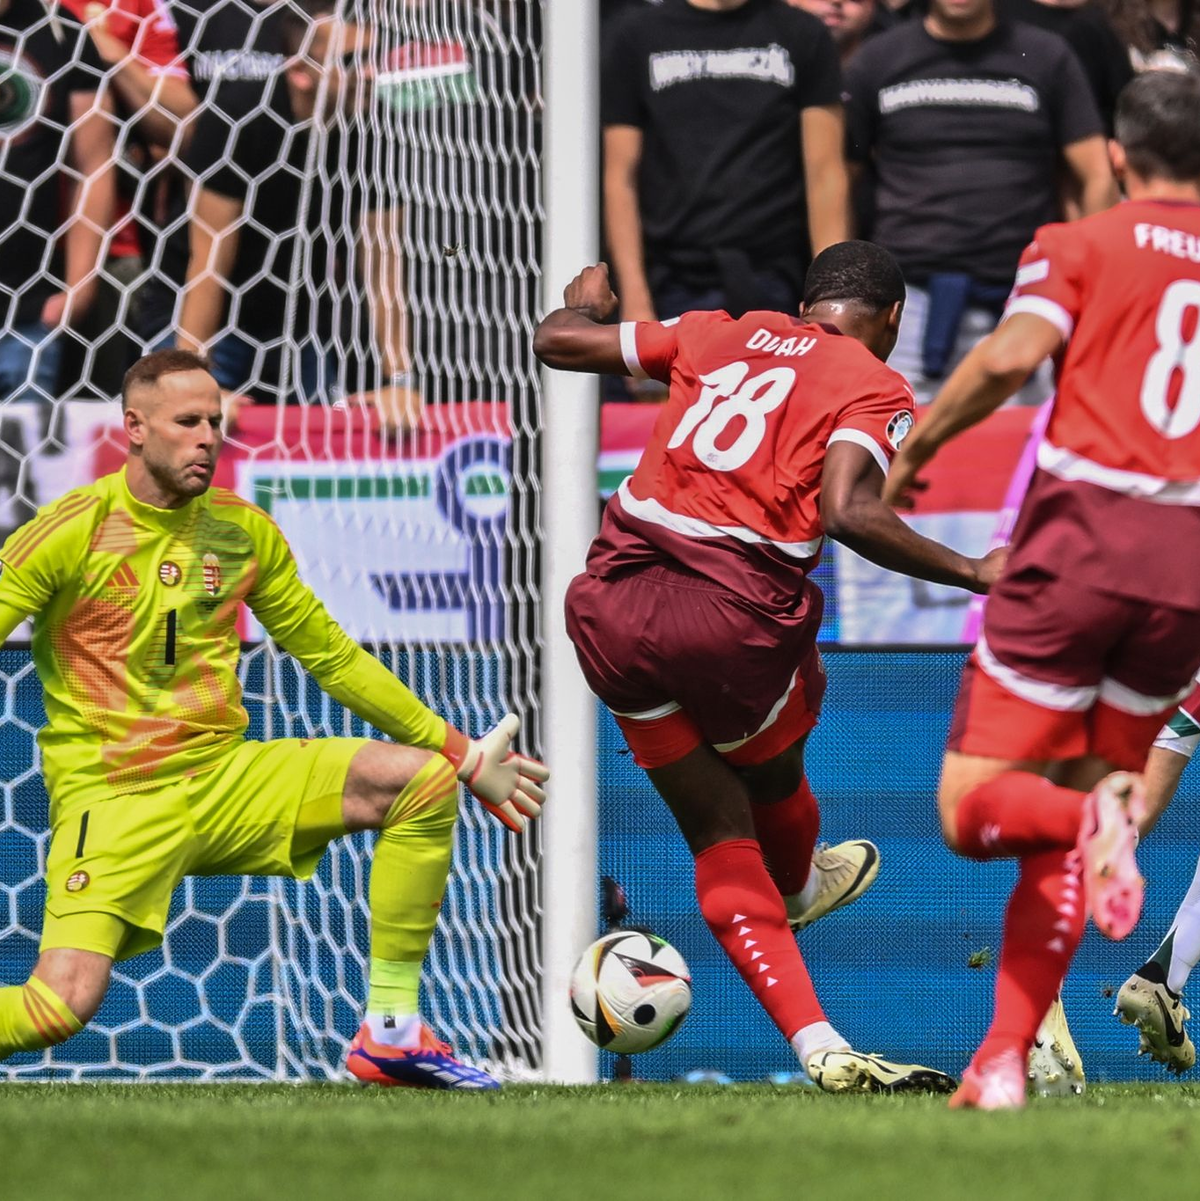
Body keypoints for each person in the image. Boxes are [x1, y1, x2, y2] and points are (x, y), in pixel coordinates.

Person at [0, 348, 548, 1088]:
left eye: (215, 422)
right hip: (116, 798)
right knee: (55, 1009)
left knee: (420, 782)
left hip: (229, 779)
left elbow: (332, 656)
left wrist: (463, 752)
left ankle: (390, 1033)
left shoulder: (241, 531)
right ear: (134, 428)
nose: (206, 438)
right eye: (186, 422)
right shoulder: (74, 528)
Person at [534, 243, 1002, 1091]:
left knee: (716, 834)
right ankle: (796, 880)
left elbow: (557, 342)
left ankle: (820, 1043)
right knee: (774, 762)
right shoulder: (874, 382)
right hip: (729, 619)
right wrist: (974, 571)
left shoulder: (721, 330)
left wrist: (590, 304)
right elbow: (848, 509)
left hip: (607, 603)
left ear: (807, 299)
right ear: (892, 317)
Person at [883, 70, 1200, 1110]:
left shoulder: (1080, 243)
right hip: (1184, 572)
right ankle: (1001, 1061)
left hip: (1077, 543)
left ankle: (1091, 824)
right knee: (1079, 798)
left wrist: (919, 442)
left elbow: (1014, 353)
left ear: (1116, 158)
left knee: (974, 809)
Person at [844, 0, 1117, 403]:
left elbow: (1096, 174)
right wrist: (843, 284)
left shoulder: (1047, 54)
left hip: (1024, 302)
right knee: (901, 452)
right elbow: (838, 179)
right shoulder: (879, 58)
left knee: (1015, 455)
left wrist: (1098, 286)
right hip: (907, 306)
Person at [602, 0, 850, 334]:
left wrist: (831, 295)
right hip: (671, 281)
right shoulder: (637, 34)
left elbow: (826, 174)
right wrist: (635, 298)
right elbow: (620, 178)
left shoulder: (802, 32)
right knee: (674, 389)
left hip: (775, 279)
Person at [0, 0, 116, 405]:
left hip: (28, 314)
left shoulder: (59, 29)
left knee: (18, 468)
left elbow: (96, 163)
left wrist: (78, 289)